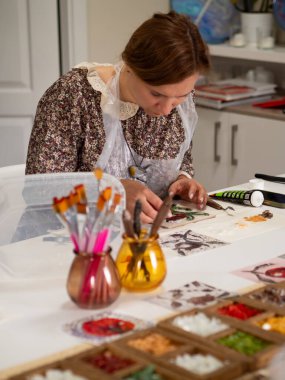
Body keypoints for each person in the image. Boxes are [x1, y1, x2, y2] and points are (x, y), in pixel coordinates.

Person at [26, 11, 210, 223]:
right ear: (129, 66)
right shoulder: (74, 95)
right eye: (156, 94)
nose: (167, 109)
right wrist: (110, 189)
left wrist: (182, 180)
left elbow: (182, 158)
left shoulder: (179, 101)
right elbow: (38, 191)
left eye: (181, 96)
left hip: (149, 238)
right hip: (71, 240)